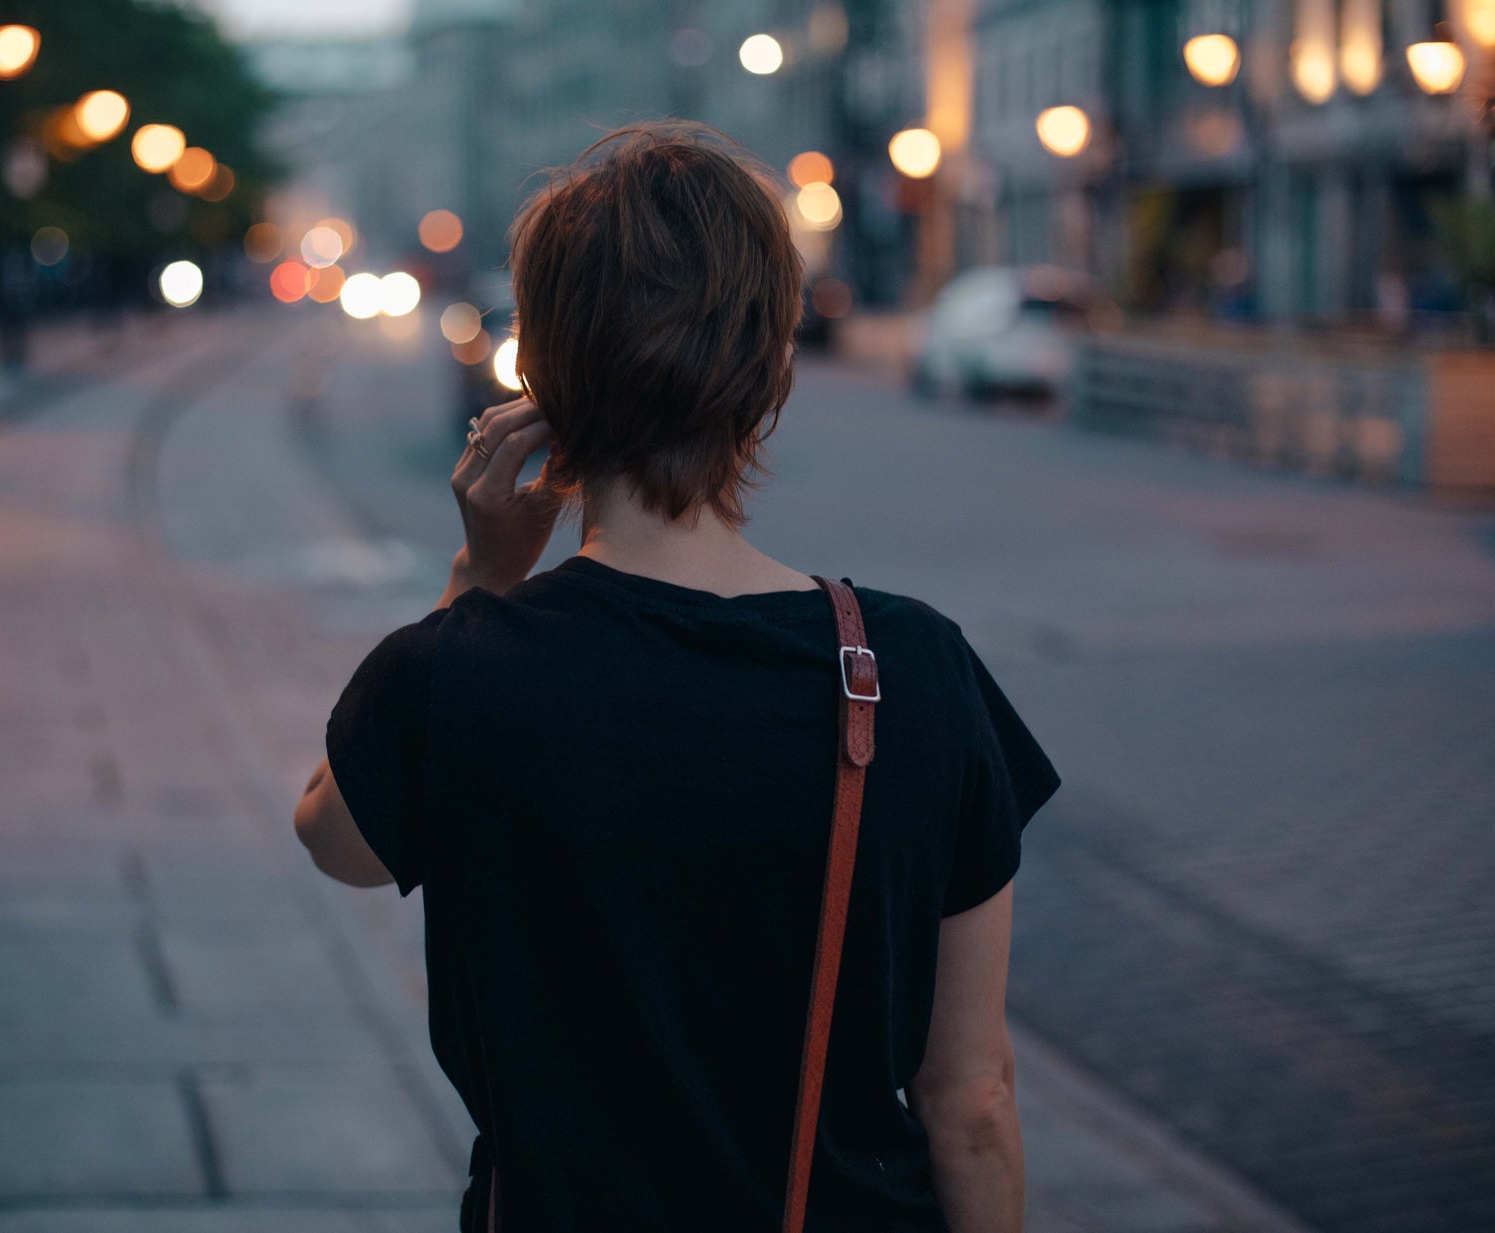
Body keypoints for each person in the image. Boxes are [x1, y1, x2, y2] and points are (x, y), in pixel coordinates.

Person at [294, 123, 1059, 1232]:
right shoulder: (915, 671)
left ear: (540, 375)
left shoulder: (454, 672)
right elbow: (970, 1099)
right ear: (772, 369)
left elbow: (333, 842)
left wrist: (480, 579)